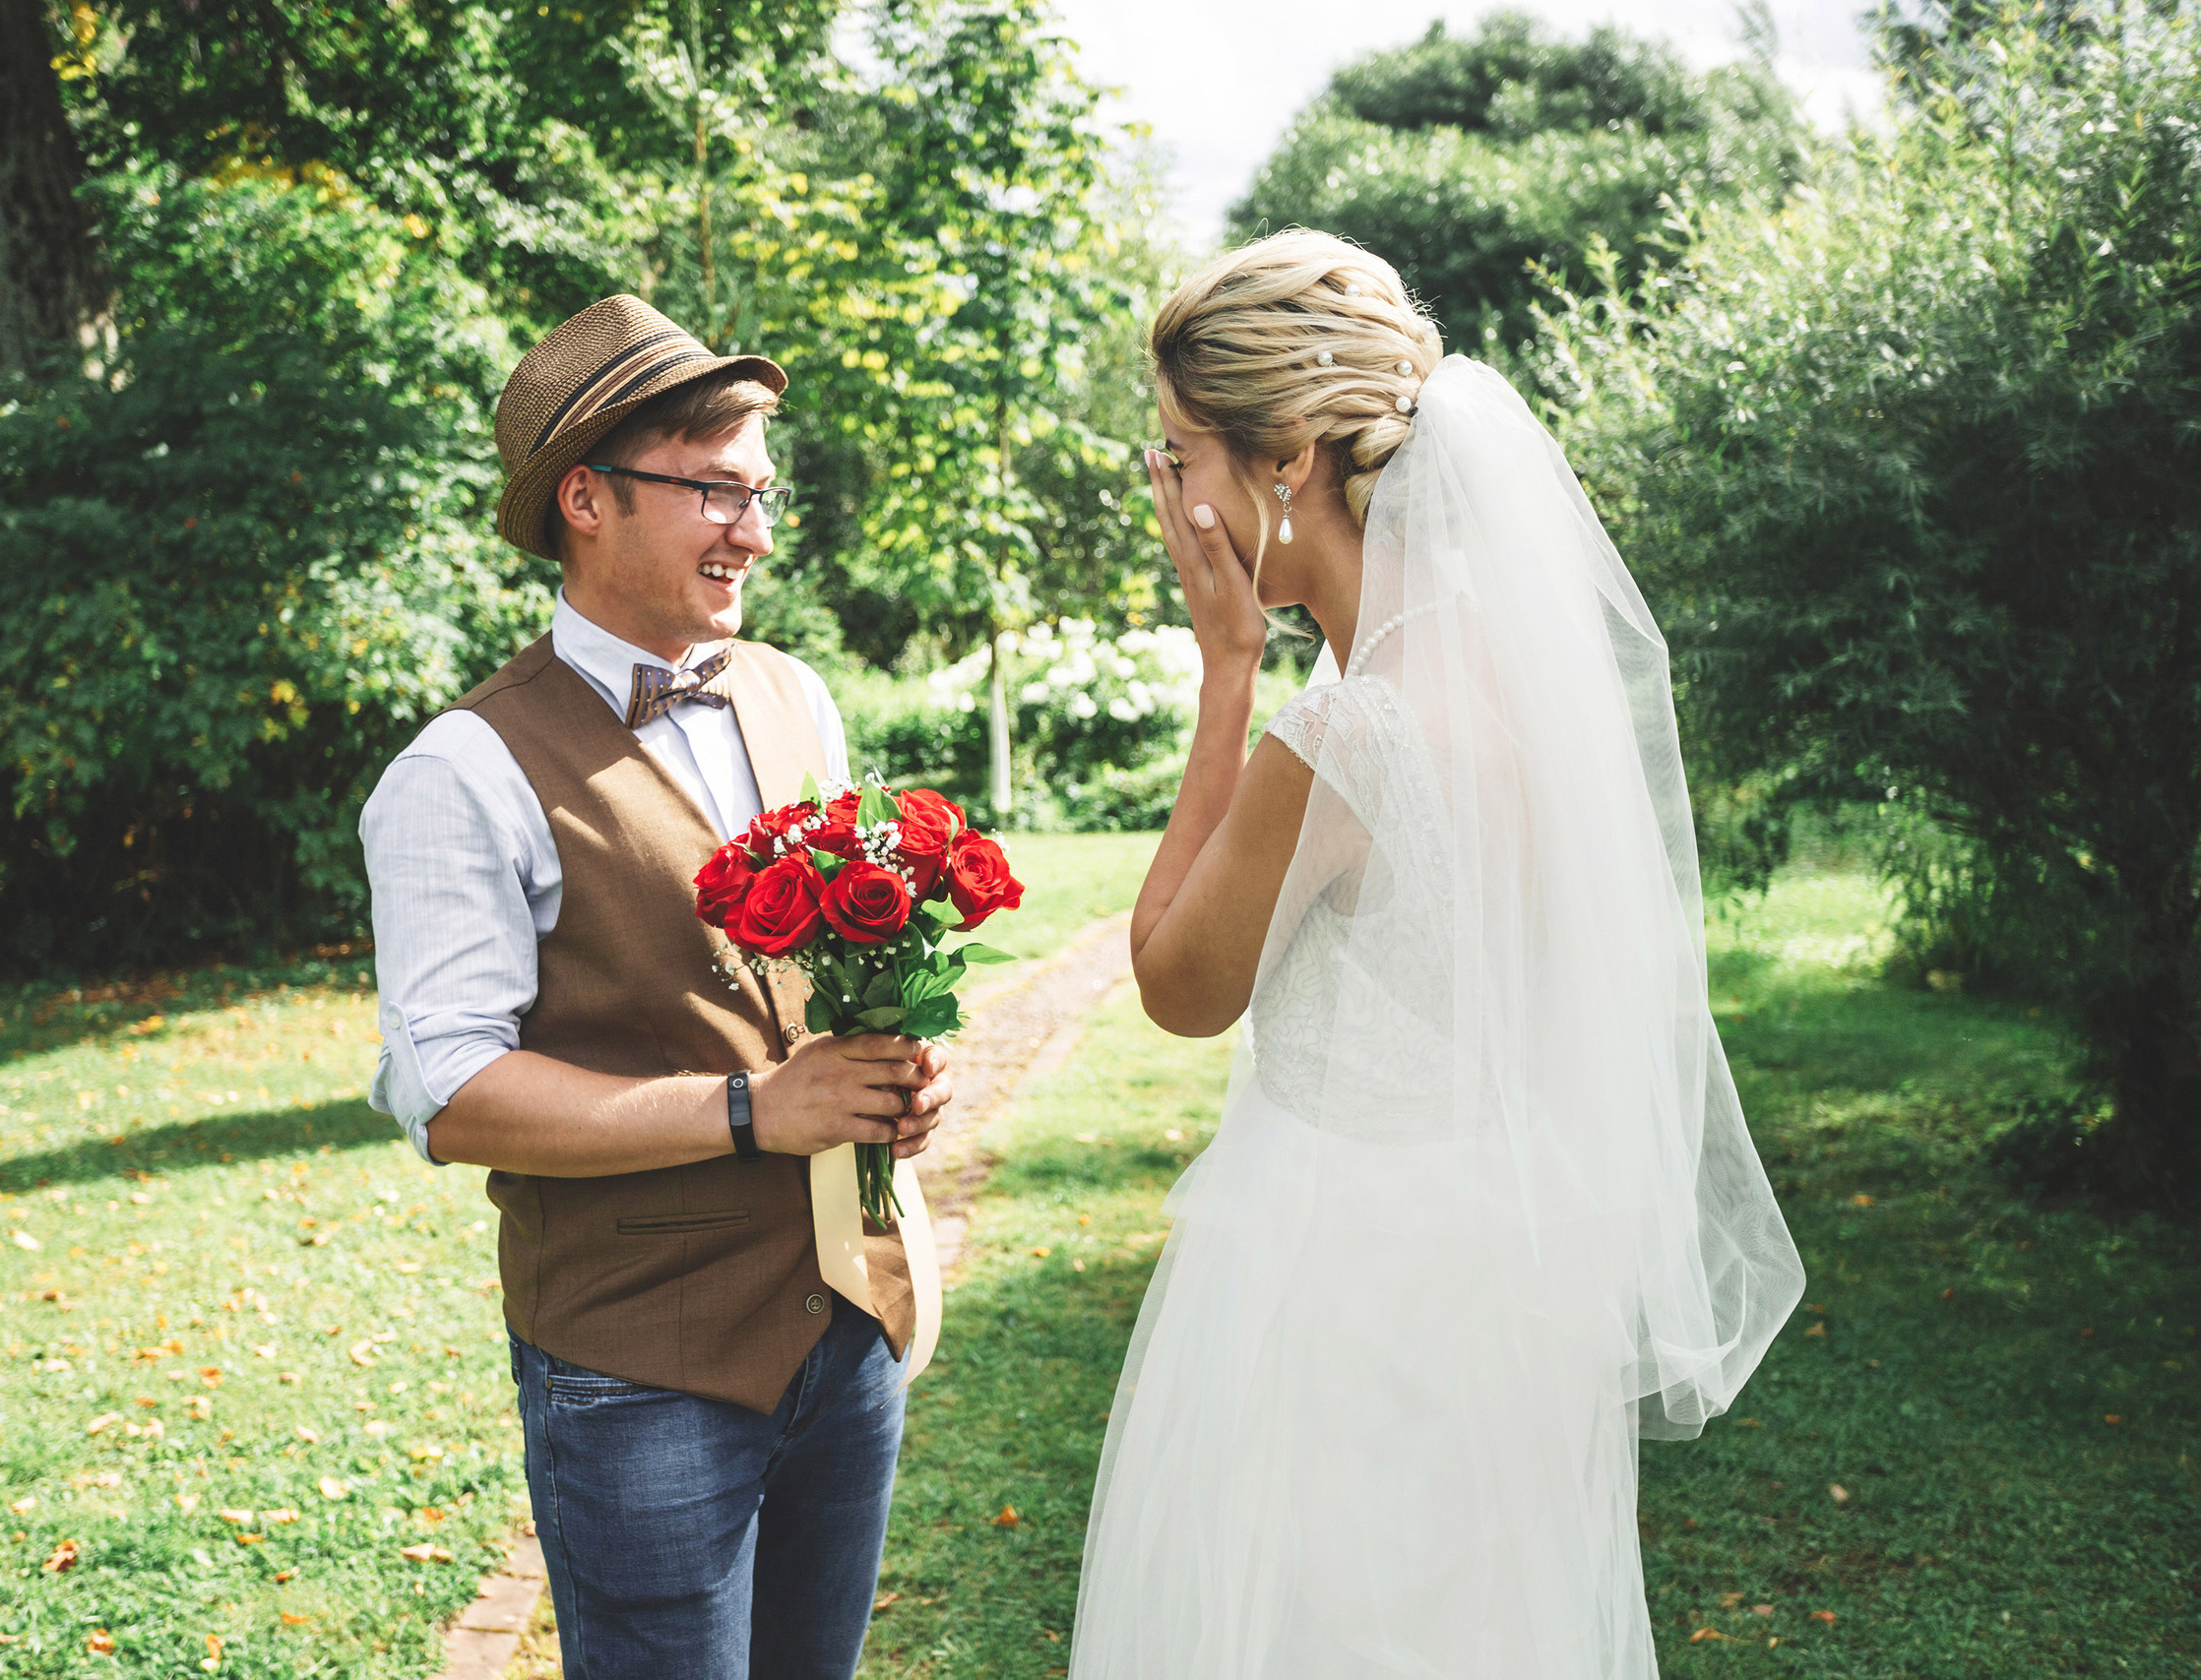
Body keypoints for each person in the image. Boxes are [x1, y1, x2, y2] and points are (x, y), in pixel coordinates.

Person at [1069, 231, 1805, 1678]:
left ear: (1286, 461)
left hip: (1342, 1287)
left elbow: (1176, 984)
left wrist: (1226, 673)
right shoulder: (1522, 683)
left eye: (1179, 453)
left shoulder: (1346, 734)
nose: (1170, 496)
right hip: (1505, 1274)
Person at [359, 294, 953, 1679]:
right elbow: (451, 1091)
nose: (756, 531)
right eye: (714, 490)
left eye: (761, 490)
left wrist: (888, 1069)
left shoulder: (795, 695)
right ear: (587, 498)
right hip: (639, 1375)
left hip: (848, 1322)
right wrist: (753, 1110)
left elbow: (809, 985)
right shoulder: (459, 771)